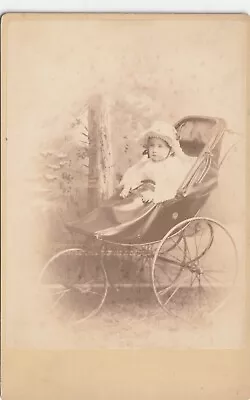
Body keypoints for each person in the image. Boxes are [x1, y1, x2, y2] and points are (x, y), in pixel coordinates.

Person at [67, 121, 196, 242]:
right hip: (139, 190)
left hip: (153, 199)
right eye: (151, 146)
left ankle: (107, 230)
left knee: (125, 208)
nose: (154, 150)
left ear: (170, 149)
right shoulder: (146, 162)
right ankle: (89, 224)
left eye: (160, 146)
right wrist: (127, 187)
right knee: (112, 203)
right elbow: (134, 174)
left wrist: (155, 195)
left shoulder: (171, 166)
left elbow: (171, 186)